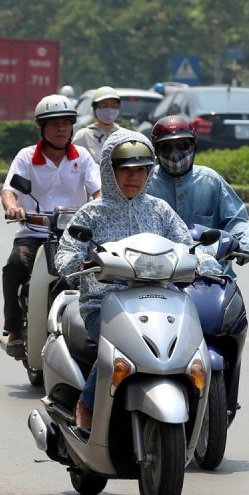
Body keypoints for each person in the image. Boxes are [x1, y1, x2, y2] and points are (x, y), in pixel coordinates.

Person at [55, 129, 222, 430]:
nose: (134, 178)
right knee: (115, 347)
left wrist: (206, 261)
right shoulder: (92, 213)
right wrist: (77, 263)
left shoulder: (160, 211)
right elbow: (67, 251)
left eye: (141, 170)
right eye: (126, 170)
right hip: (104, 303)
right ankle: (88, 402)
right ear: (110, 171)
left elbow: (186, 244)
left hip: (159, 300)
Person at [0, 94, 101, 358]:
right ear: (42, 128)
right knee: (15, 266)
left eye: (66, 123)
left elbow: (98, 191)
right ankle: (14, 330)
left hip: (76, 236)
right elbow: (9, 190)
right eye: (54, 123)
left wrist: (100, 210)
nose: (61, 129)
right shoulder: (25, 157)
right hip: (34, 234)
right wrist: (13, 207)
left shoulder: (83, 157)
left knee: (100, 272)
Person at [146, 115, 249, 275]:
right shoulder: (145, 184)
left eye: (182, 145)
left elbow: (235, 219)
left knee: (233, 300)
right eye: (166, 147)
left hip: (213, 274)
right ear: (155, 150)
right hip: (159, 276)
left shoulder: (211, 180)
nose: (175, 154)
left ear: (194, 146)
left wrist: (245, 243)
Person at [72, 86, 121, 164]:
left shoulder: (123, 135)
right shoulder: (83, 135)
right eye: (104, 106)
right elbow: (74, 163)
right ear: (95, 109)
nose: (109, 110)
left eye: (113, 106)